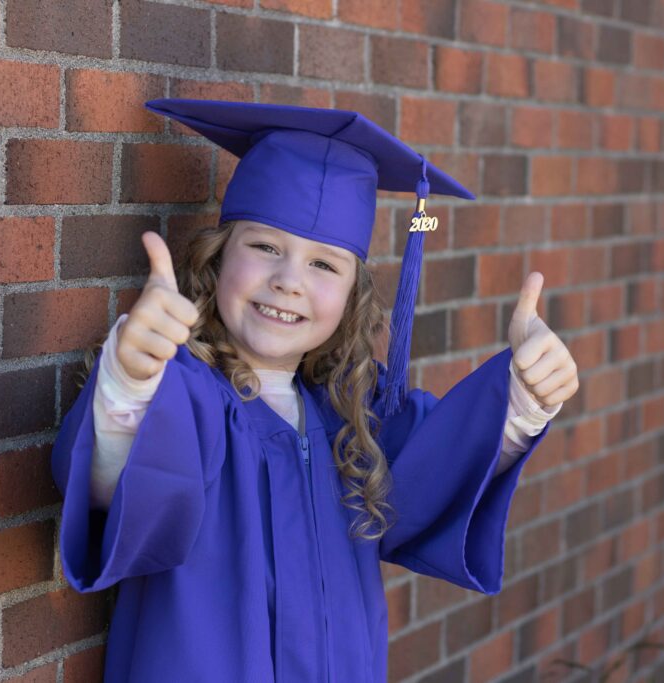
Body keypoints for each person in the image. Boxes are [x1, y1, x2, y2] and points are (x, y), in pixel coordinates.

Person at [51, 99, 579, 682]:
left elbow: (444, 469)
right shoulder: (188, 395)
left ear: (353, 295)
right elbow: (118, 485)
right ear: (219, 256)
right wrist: (130, 380)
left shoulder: (353, 413)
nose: (289, 281)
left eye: (324, 265)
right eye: (265, 247)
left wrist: (524, 400)